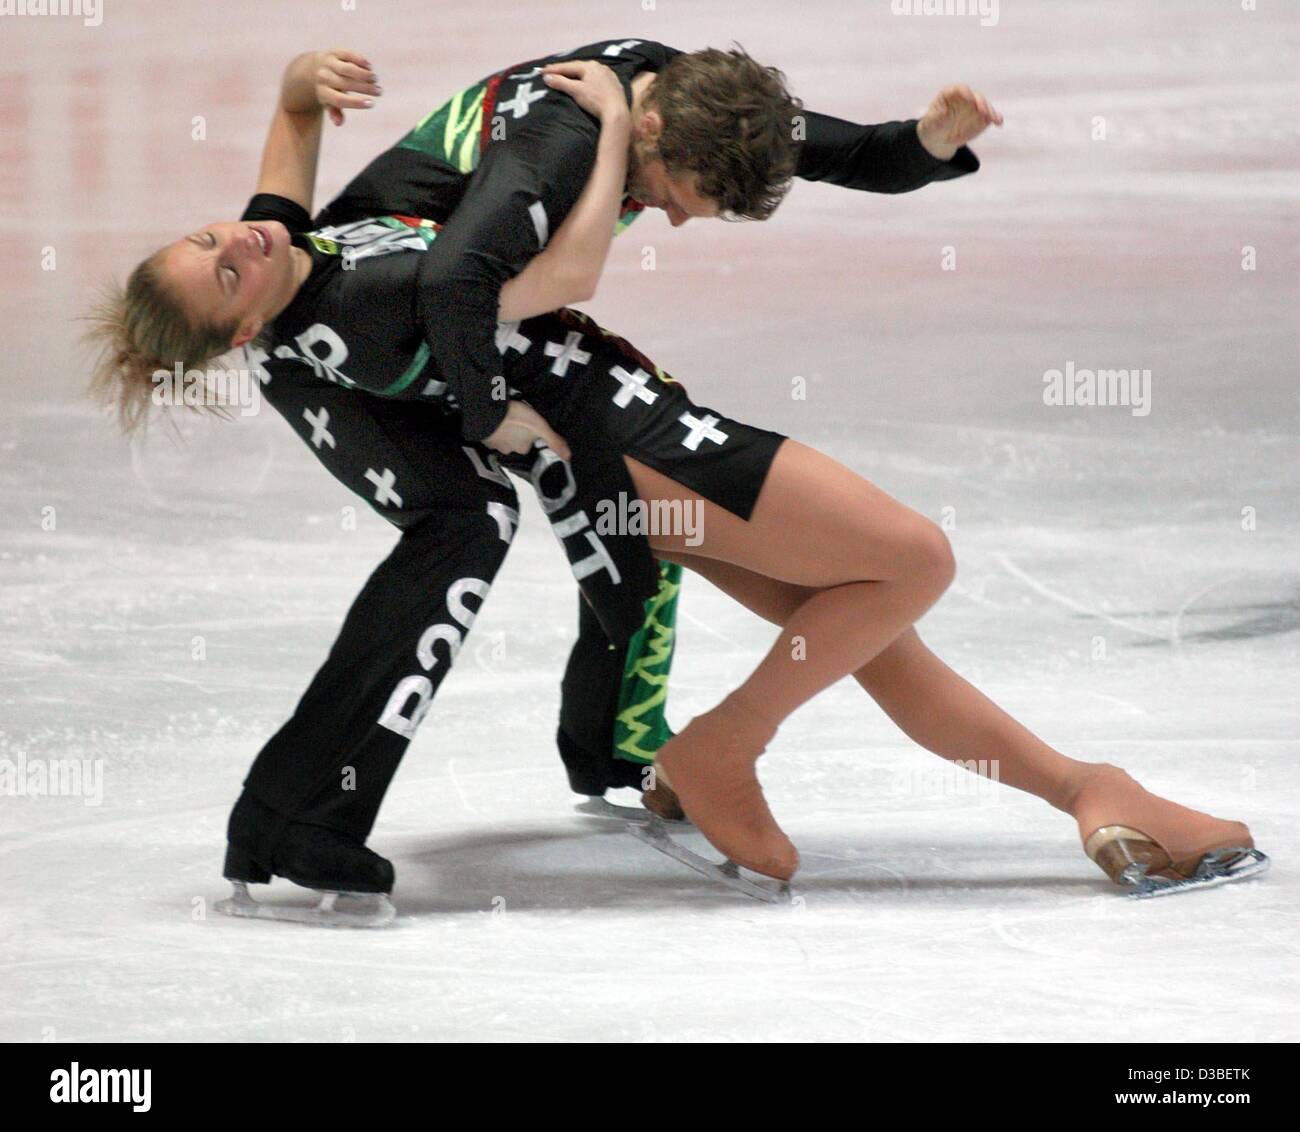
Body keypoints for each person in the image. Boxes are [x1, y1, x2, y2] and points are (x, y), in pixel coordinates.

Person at [87, 42, 1264, 912]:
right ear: (650, 136)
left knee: (850, 615)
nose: (685, 225)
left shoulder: (700, 101)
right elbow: (483, 285)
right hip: (598, 418)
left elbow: (830, 151)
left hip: (578, 398)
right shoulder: (561, 147)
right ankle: (715, 748)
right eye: (683, 202)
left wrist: (927, 146)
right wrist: (494, 417)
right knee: (913, 559)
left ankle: (1083, 789)